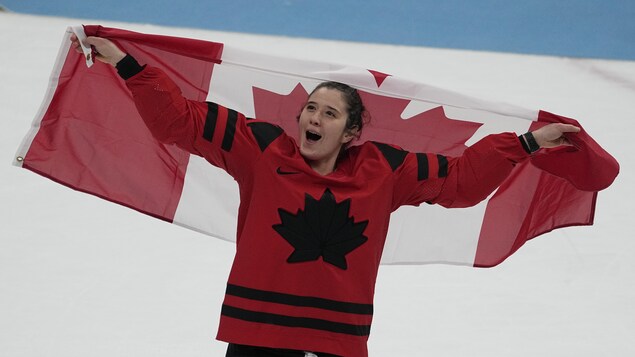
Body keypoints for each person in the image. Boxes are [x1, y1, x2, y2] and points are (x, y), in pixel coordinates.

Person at [71, 34, 580, 357]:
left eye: (329, 114)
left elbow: (462, 181)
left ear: (352, 132)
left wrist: (529, 142)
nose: (313, 118)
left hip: (337, 343)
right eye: (310, 109)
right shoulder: (261, 149)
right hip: (258, 338)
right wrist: (127, 64)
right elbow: (176, 121)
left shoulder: (385, 170)